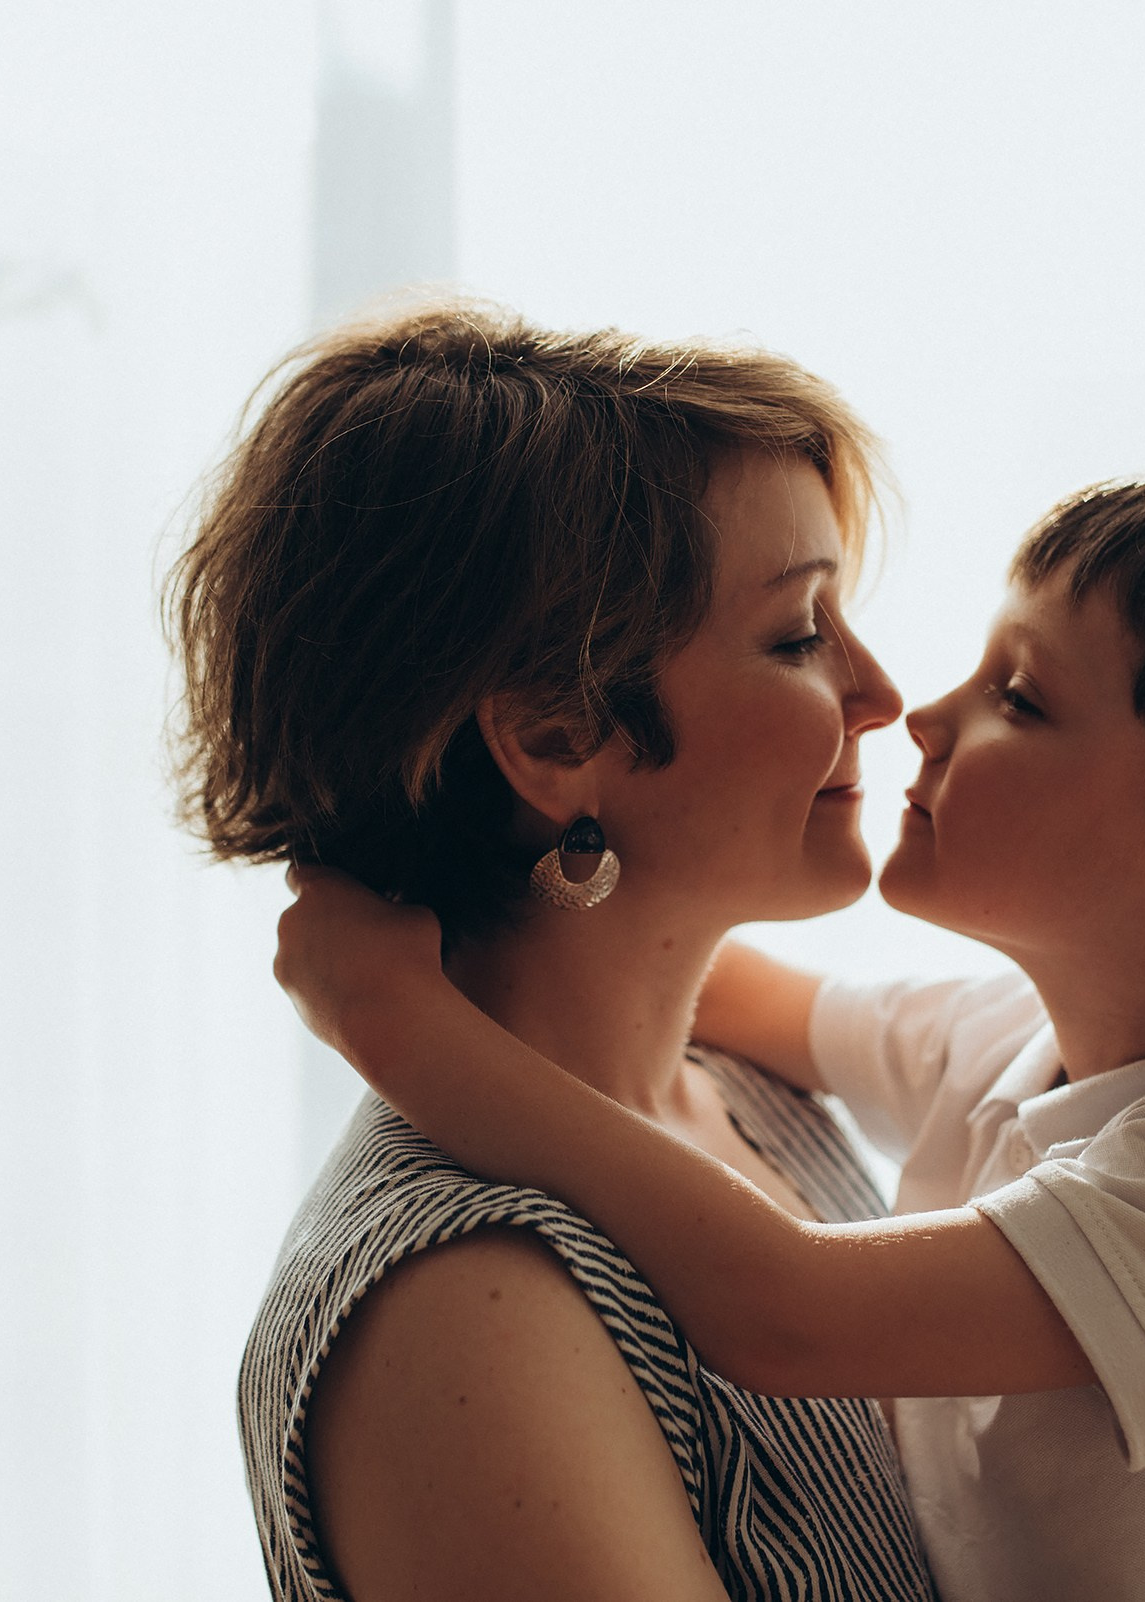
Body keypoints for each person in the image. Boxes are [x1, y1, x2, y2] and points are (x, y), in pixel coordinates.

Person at [278, 468, 1145, 1602]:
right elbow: (703, 977)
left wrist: (406, 1028)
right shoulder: (1013, 1038)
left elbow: (790, 1309)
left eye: (1021, 694)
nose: (914, 709)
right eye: (795, 635)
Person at [167, 300, 939, 1601]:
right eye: (800, 632)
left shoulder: (754, 1093)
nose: (880, 692)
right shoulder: (464, 1302)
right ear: (557, 734)